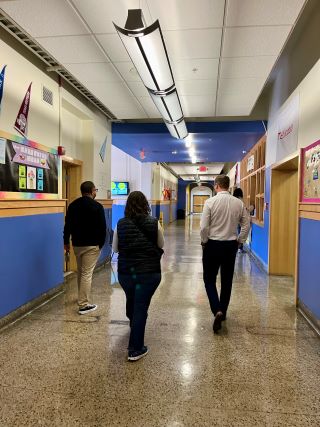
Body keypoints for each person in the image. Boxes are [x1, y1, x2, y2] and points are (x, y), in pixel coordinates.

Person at [112, 191, 164, 362]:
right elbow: (160, 244)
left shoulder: (120, 224)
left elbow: (115, 249)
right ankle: (135, 349)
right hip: (149, 273)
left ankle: (134, 325)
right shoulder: (154, 222)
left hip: (127, 273)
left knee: (133, 302)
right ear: (145, 205)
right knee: (140, 307)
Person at [200, 175, 250, 333]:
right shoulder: (238, 203)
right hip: (230, 245)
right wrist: (240, 241)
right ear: (228, 186)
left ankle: (217, 310)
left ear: (216, 186)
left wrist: (204, 241)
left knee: (209, 279)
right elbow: (246, 224)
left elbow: (203, 227)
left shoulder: (210, 202)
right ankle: (224, 310)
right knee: (227, 280)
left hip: (212, 244)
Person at [63, 181, 106, 315]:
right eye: (96, 190)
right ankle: (83, 305)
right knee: (87, 273)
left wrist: (66, 243)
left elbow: (67, 226)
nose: (95, 193)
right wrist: (100, 244)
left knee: (81, 272)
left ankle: (81, 297)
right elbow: (102, 228)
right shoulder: (97, 206)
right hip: (92, 246)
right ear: (92, 191)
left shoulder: (72, 205)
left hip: (77, 244)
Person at [233, 187, 245, 252]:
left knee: (237, 231)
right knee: (240, 231)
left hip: (234, 220)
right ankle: (240, 247)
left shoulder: (232, 200)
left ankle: (238, 247)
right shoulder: (240, 201)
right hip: (240, 220)